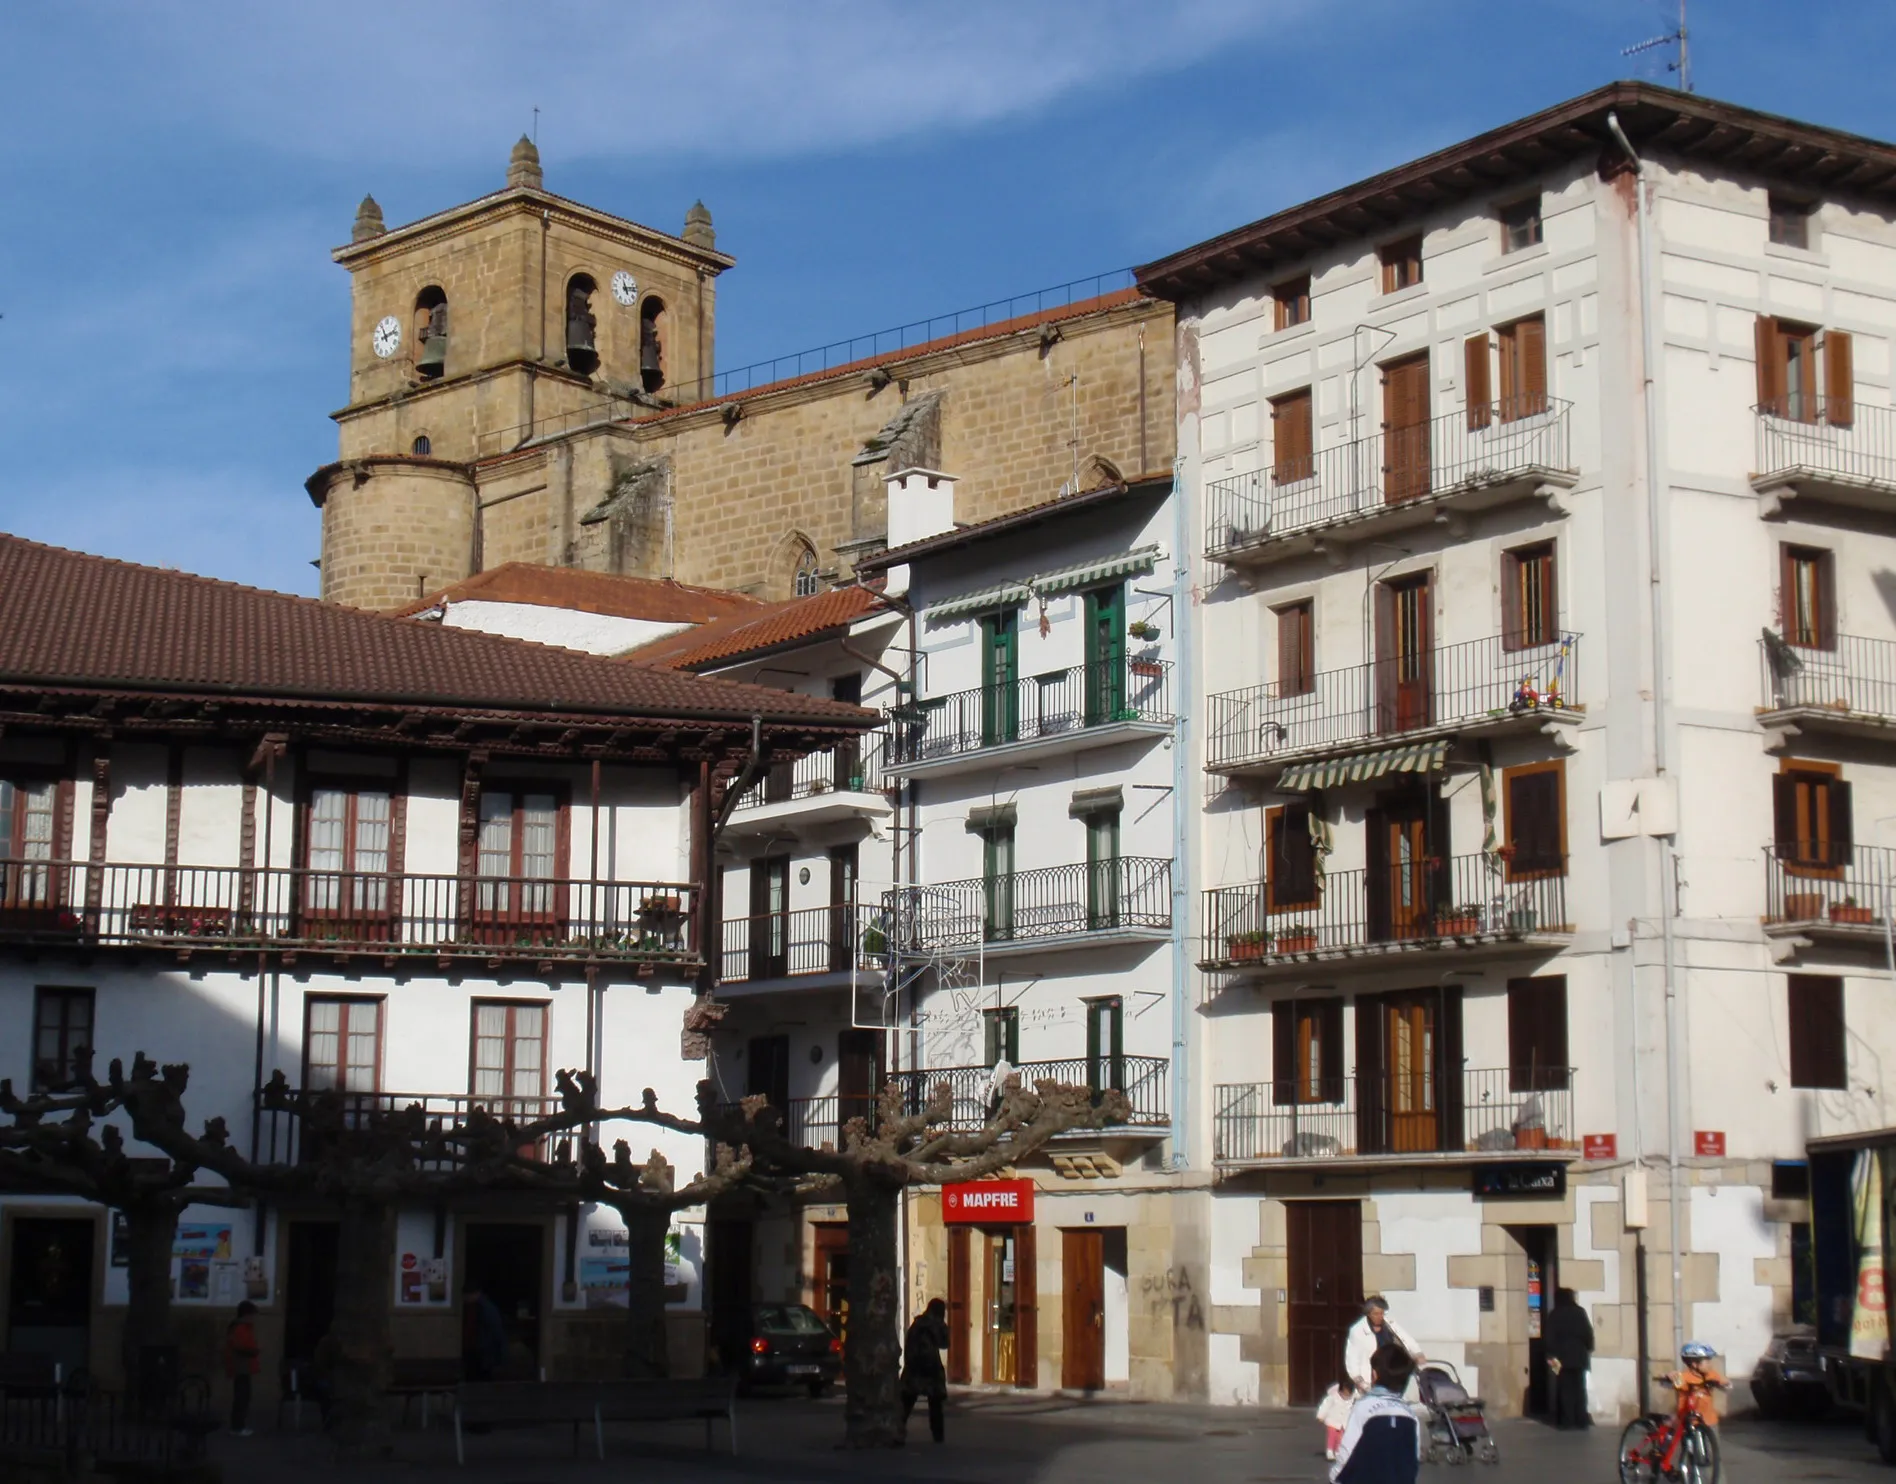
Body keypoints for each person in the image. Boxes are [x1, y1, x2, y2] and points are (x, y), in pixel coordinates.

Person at [1331, 1344, 1420, 1484]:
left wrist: (1334, 1478)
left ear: (1374, 1374)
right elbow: (1413, 1459)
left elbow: (1347, 1453)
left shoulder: (1364, 1408)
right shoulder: (1411, 1415)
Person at [1343, 1296, 1424, 1394]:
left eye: (1382, 1313)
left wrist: (1417, 1352)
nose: (1380, 1317)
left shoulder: (1390, 1324)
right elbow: (1352, 1357)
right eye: (1376, 1314)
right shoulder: (1357, 1330)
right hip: (1374, 1375)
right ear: (1368, 1314)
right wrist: (1357, 1379)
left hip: (1394, 1371)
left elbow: (1406, 1338)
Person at [900, 1298, 951, 1443]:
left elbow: (909, 1344)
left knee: (906, 1403)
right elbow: (945, 1343)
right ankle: (938, 1437)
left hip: (914, 1368)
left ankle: (897, 1430)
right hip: (930, 1369)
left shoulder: (917, 1323)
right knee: (935, 1406)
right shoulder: (935, 1325)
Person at [1543, 1288, 1594, 1429]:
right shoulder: (1580, 1312)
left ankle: (1567, 1421)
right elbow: (1588, 1334)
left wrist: (1551, 1357)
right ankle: (1581, 1420)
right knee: (1579, 1389)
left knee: (1564, 1389)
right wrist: (1588, 1349)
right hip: (1580, 1357)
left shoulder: (1555, 1314)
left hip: (1560, 1359)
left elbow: (1549, 1339)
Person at [1667, 1341, 1731, 1428]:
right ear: (1694, 1364)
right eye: (1707, 1362)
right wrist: (1669, 1376)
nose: (1710, 1365)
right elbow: (1666, 1383)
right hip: (1689, 1420)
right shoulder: (1684, 1377)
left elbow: (1726, 1384)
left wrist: (1725, 1383)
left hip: (1709, 1420)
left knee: (1713, 1440)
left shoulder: (1711, 1374)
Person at [223, 1300, 260, 1437]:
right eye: (251, 1315)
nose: (253, 1318)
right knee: (242, 1398)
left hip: (243, 1367)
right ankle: (237, 1426)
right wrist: (253, 1351)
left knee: (243, 1397)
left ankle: (239, 1425)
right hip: (241, 1367)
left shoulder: (242, 1328)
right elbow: (239, 1346)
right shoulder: (240, 1328)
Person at [463, 1282, 509, 1382]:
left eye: (467, 1295)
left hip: (482, 1352)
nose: (465, 1298)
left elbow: (496, 1332)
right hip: (478, 1351)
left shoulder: (485, 1308)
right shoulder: (480, 1307)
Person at [1316, 1372, 1357, 1461]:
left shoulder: (1352, 1398)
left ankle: (1338, 1450)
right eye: (1345, 1393)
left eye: (1349, 1393)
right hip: (1332, 1420)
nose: (1346, 1396)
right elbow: (1325, 1405)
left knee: (1340, 1437)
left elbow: (1357, 1401)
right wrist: (1321, 1415)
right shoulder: (1333, 1397)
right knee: (1332, 1435)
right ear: (1341, 1390)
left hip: (1343, 1421)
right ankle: (1330, 1450)